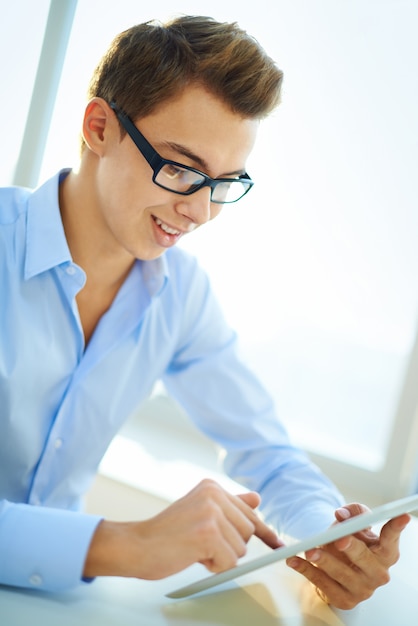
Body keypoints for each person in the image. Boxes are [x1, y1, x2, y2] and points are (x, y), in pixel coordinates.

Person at [0, 15, 410, 610]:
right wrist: (123, 545)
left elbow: (266, 451)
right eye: (182, 170)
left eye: (222, 183)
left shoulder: (181, 296)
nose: (200, 212)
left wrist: (329, 537)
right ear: (99, 128)